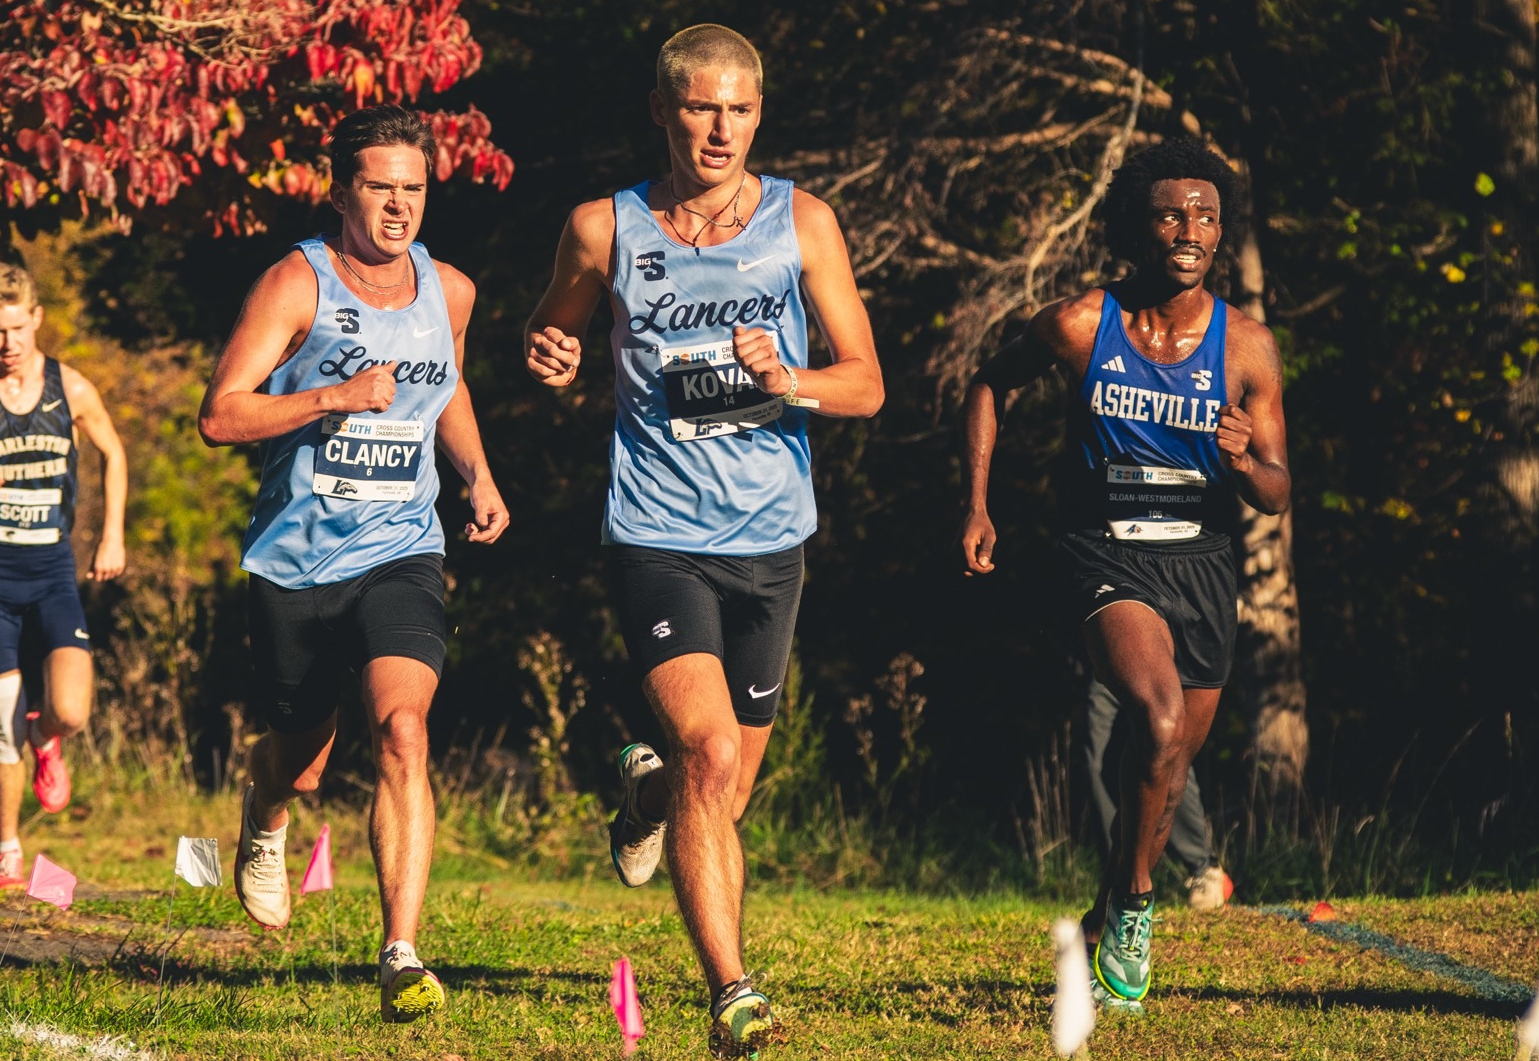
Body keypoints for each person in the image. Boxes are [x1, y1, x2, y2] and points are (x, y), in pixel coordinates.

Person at [524, 24, 883, 1057]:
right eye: (698, 108)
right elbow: (550, 336)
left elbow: (866, 380)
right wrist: (548, 357)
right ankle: (732, 990)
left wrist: (791, 381)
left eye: (738, 109)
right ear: (661, 111)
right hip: (656, 527)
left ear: (758, 114)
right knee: (711, 747)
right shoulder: (604, 228)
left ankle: (647, 793)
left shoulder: (802, 222)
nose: (719, 129)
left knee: (720, 793)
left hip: (772, 535)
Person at [959, 137, 1290, 1007]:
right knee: (1156, 712)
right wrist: (978, 504)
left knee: (1170, 761)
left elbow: (1276, 490)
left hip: (1204, 564)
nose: (1192, 229)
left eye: (1208, 216)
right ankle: (1140, 902)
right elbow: (990, 383)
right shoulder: (1080, 325)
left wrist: (1244, 458)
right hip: (1104, 553)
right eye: (1173, 213)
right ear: (1138, 225)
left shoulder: (1246, 346)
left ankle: (1113, 894)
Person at [198, 104, 508, 1025]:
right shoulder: (296, 284)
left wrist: (478, 474)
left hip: (401, 546)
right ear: (340, 191)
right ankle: (265, 810)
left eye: (413, 189)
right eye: (380, 186)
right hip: (295, 560)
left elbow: (444, 390)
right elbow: (221, 414)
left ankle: (400, 951)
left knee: (404, 728)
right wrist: (332, 396)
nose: (398, 206)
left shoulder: (448, 290)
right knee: (301, 755)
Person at [0, 261, 129, 889]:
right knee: (0, 724)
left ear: (36, 318)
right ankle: (7, 849)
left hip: (52, 566)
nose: (6, 344)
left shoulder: (71, 388)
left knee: (70, 710)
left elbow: (113, 452)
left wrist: (111, 535)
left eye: (16, 329)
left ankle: (48, 735)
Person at [1082, 678, 1232, 911]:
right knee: (1097, 759)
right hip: (1104, 655)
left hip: (1157, 652)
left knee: (1162, 751)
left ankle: (1204, 868)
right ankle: (1118, 879)